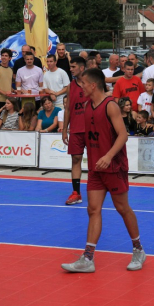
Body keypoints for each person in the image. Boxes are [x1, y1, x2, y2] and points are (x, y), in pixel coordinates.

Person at [61, 68, 145, 273]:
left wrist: (108, 156)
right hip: (96, 168)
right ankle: (88, 258)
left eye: (83, 83)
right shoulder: (88, 106)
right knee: (93, 209)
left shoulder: (111, 106)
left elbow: (123, 135)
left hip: (114, 165)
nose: (79, 86)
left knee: (122, 208)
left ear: (93, 85)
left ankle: (138, 250)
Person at [62, 57, 87, 205]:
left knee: (97, 161)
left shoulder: (92, 83)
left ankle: (98, 190)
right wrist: (65, 129)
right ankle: (76, 193)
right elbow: (68, 109)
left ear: (82, 68)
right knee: (76, 159)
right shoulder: (71, 85)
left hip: (92, 129)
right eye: (70, 67)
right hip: (76, 129)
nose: (70, 69)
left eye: (73, 67)